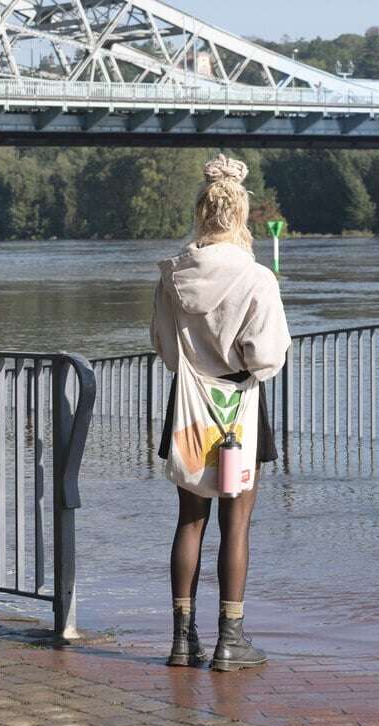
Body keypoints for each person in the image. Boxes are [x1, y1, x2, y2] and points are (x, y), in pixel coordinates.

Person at [150, 154, 291, 671]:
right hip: (240, 411)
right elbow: (267, 357)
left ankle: (181, 641)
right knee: (237, 523)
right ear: (241, 215)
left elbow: (165, 348)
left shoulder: (172, 275)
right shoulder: (257, 279)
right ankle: (230, 641)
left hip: (188, 406)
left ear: (201, 212)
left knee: (190, 521)